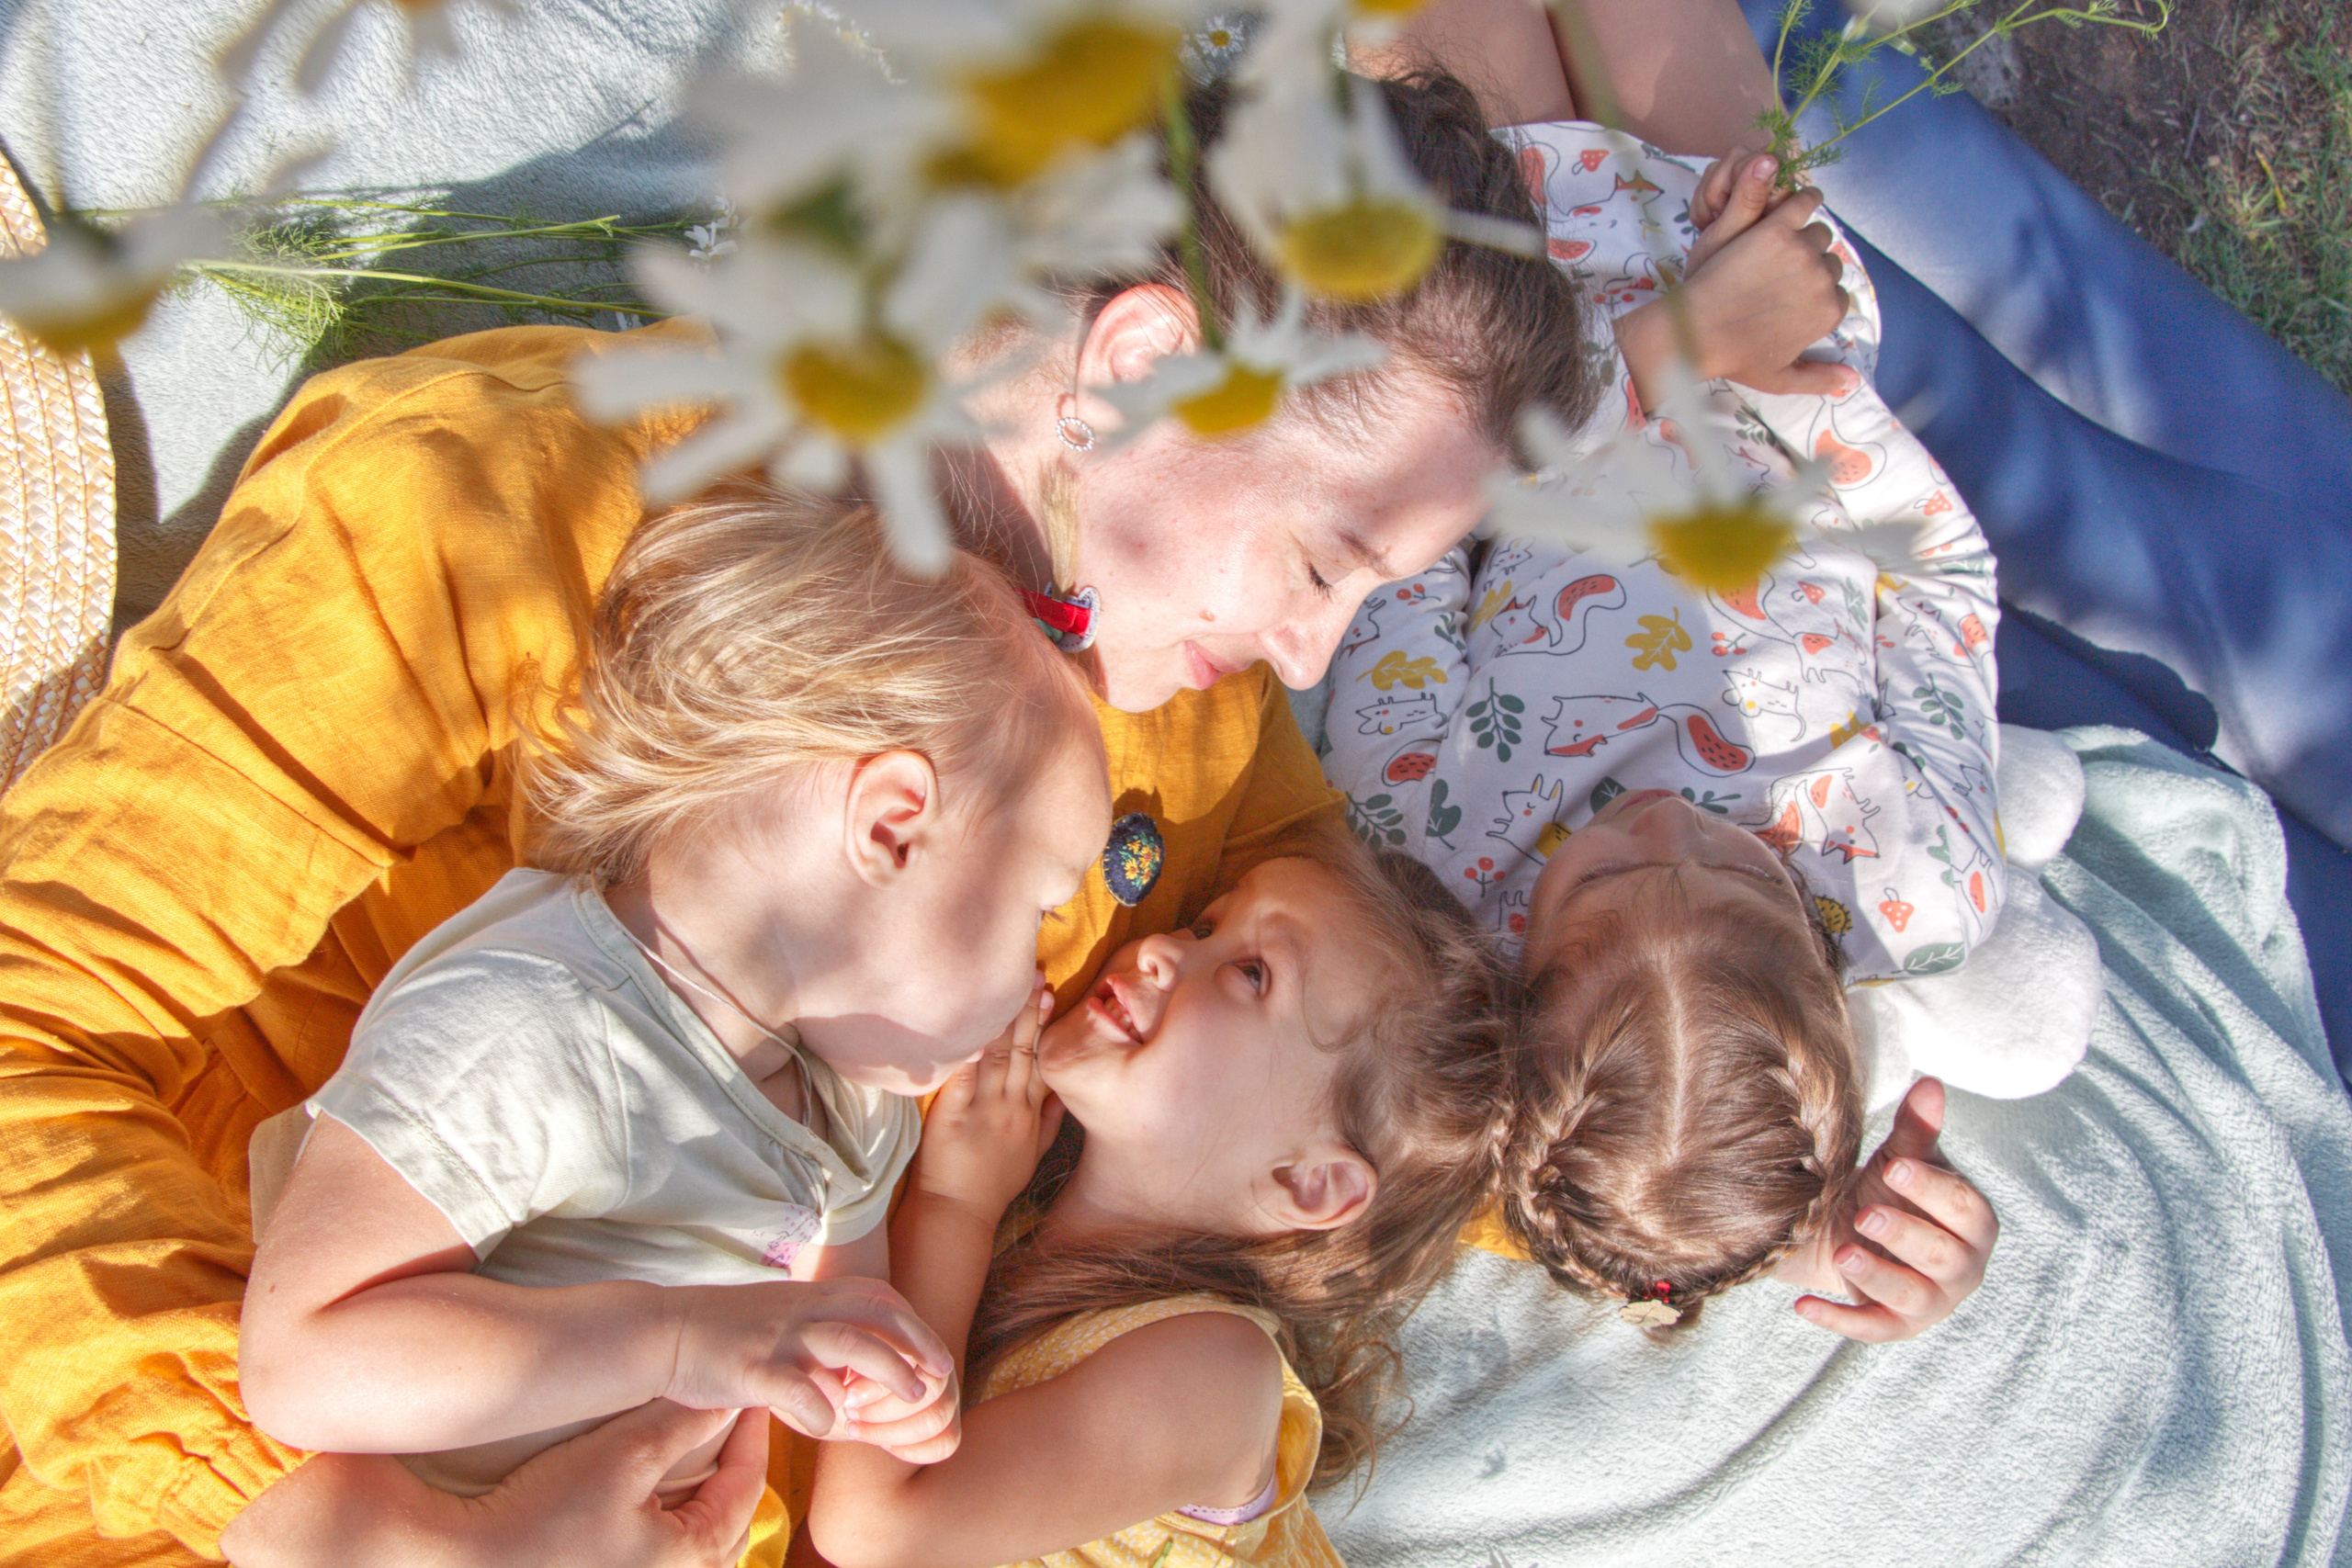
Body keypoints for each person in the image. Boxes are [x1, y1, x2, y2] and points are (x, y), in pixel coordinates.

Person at [0, 48, 1985, 1568]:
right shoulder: (484, 523)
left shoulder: (1182, 732)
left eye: (1371, 597)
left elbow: (1351, 1086)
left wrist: (1736, 1193)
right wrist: (408, 1518)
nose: (1310, 657)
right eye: (1320, 556)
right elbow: (26, 1031)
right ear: (1137, 362)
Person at [1334, 0, 2002, 1336]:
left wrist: (1664, 354)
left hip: (1497, 293)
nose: (1670, 816)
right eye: (1746, 864)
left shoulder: (1433, 832)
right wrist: (1802, 387)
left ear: (1516, 969)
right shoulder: (1915, 881)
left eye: (1615, 871)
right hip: (1754, 276)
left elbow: (1397, 521)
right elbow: (1943, 587)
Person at [235, 491, 1110, 1510]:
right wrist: (686, 1341)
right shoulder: (535, 1030)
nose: (1038, 981)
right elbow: (297, 1366)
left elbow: (838, 1325)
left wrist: (886, 1382)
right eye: (1038, 912)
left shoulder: (852, 1108)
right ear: (890, 830)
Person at [802, 829, 1518, 1568]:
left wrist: (952, 1204)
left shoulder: (1222, 1378)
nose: (1162, 948)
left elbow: (876, 1535)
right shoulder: (1026, 1210)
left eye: (1251, 973)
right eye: (1205, 923)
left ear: (1309, 1181)